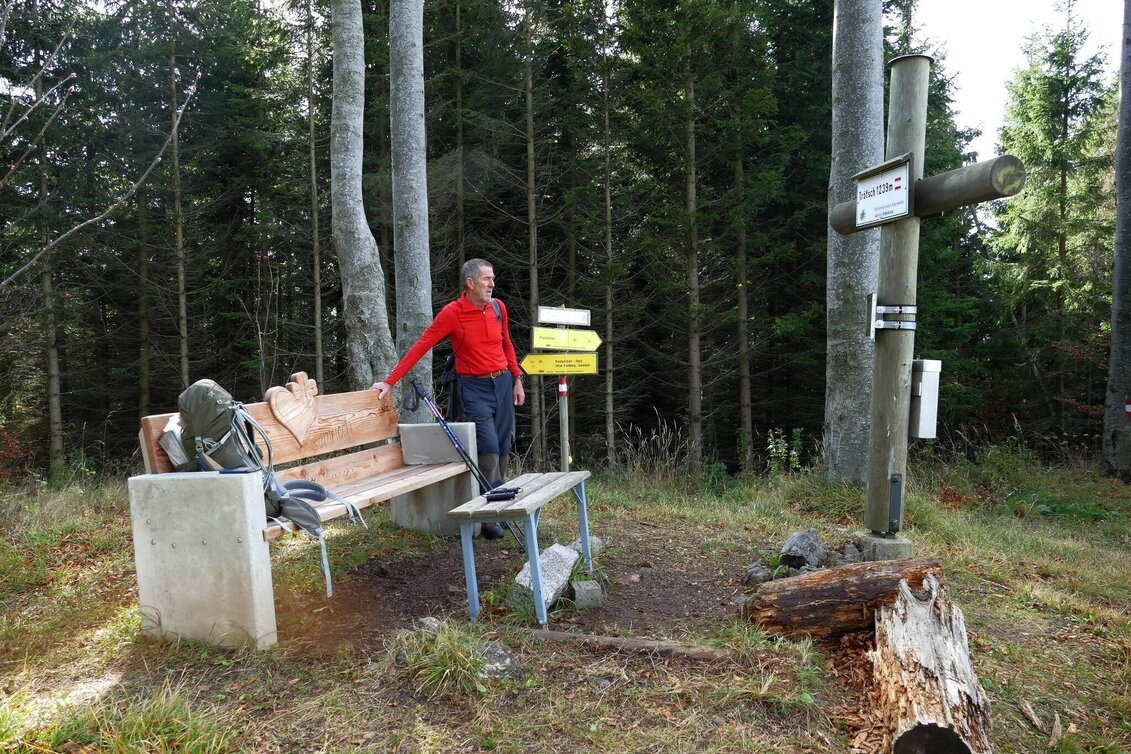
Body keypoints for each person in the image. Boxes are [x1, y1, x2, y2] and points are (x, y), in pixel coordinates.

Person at [372, 258, 526, 539]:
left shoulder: (498, 308)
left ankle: (500, 504)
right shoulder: (452, 313)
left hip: (503, 383)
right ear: (470, 282)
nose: (492, 284)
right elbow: (421, 345)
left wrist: (517, 379)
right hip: (474, 388)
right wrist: (390, 381)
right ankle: (487, 514)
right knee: (488, 446)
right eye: (487, 279)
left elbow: (507, 343)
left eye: (492, 278)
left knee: (504, 445)